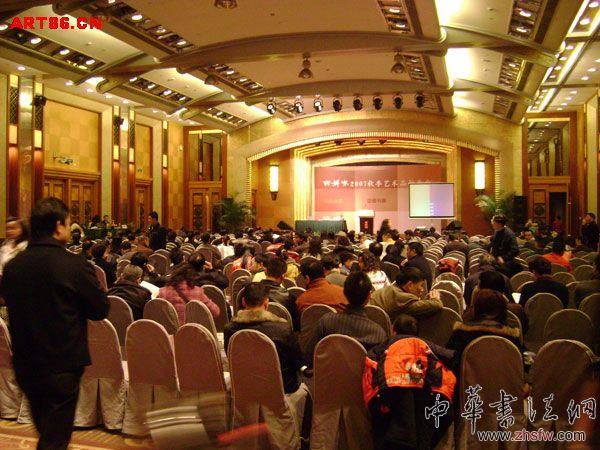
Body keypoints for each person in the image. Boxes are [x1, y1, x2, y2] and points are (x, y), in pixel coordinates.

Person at [0, 197, 108, 449]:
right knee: (55, 438)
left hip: (25, 363)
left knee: (48, 430)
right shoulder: (74, 265)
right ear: (58, 226)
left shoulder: (14, 267)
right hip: (63, 364)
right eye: (69, 224)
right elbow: (100, 309)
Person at [224, 283, 304, 394]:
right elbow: (297, 361)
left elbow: (230, 358)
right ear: (266, 303)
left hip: (244, 385)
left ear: (243, 302)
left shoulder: (230, 329)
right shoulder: (283, 329)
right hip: (282, 387)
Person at [304, 272, 387, 362]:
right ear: (368, 297)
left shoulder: (326, 322)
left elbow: (309, 353)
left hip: (328, 370)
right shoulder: (378, 334)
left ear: (344, 293)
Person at [447, 289, 521, 365]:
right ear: (503, 311)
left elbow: (451, 360)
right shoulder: (511, 336)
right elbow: (521, 362)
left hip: (465, 372)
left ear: (476, 309)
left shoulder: (461, 332)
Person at [157, 254, 220, 324]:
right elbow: (216, 312)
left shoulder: (163, 292)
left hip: (170, 330)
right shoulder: (198, 292)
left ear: (173, 275)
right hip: (192, 329)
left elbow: (156, 313)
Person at [369, 268, 443, 323]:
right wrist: (435, 299)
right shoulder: (405, 299)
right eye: (421, 285)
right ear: (410, 285)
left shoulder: (391, 288)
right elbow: (437, 305)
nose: (423, 290)